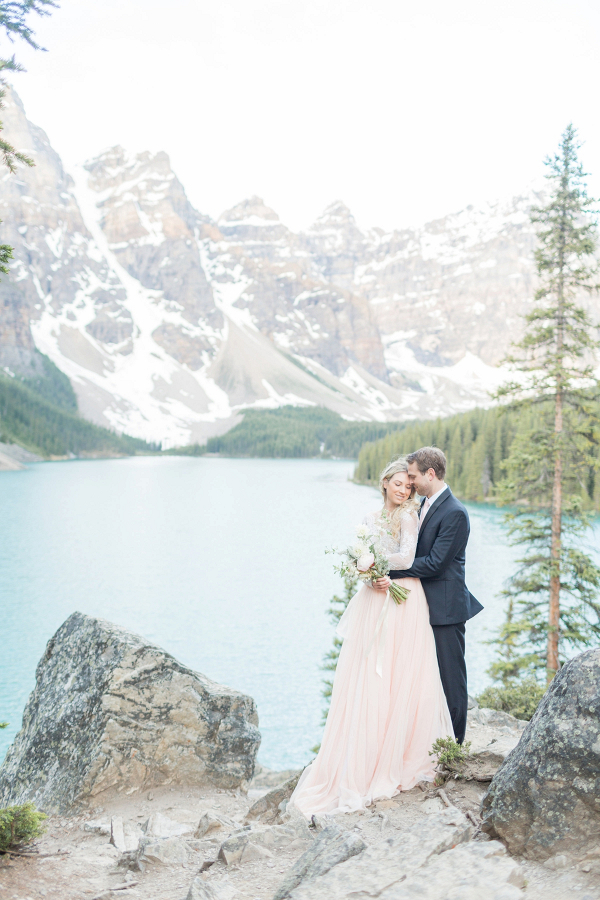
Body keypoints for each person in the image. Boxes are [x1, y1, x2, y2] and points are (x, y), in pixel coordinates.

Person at [289, 458, 454, 818]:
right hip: (373, 597)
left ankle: (395, 757)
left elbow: (408, 555)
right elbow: (360, 561)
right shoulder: (368, 519)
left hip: (402, 598)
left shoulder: (409, 516)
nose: (403, 489)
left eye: (408, 485)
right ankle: (359, 760)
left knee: (399, 673)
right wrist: (366, 573)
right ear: (384, 483)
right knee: (367, 675)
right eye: (398, 483)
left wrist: (376, 565)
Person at [374, 446, 482, 744]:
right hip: (421, 605)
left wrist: (387, 570)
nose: (410, 483)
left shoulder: (455, 512)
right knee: (424, 678)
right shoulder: (422, 505)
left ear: (430, 474)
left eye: (413, 477)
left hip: (446, 608)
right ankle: (428, 740)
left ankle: (455, 746)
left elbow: (435, 563)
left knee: (451, 679)